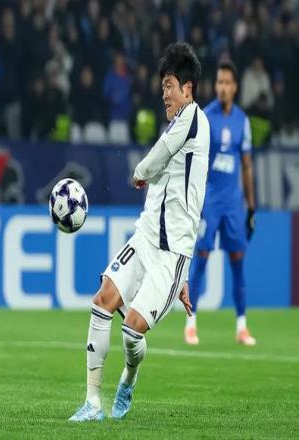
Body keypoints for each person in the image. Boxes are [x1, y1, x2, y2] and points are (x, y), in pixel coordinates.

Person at [69, 42, 209, 422]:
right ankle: (92, 403)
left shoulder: (194, 120)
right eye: (162, 87)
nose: (164, 94)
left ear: (187, 89)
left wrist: (139, 172)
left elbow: (157, 157)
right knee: (103, 299)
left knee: (132, 333)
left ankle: (128, 379)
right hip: (146, 237)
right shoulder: (178, 125)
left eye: (169, 86)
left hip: (172, 254)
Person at [184, 60, 256, 346]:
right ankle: (191, 324)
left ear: (235, 87)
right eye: (219, 82)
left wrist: (251, 206)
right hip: (209, 201)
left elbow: (247, 166)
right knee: (201, 258)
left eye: (227, 83)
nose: (223, 87)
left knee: (238, 262)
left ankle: (242, 327)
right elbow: (193, 161)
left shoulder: (242, 121)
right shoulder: (205, 117)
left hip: (233, 205)